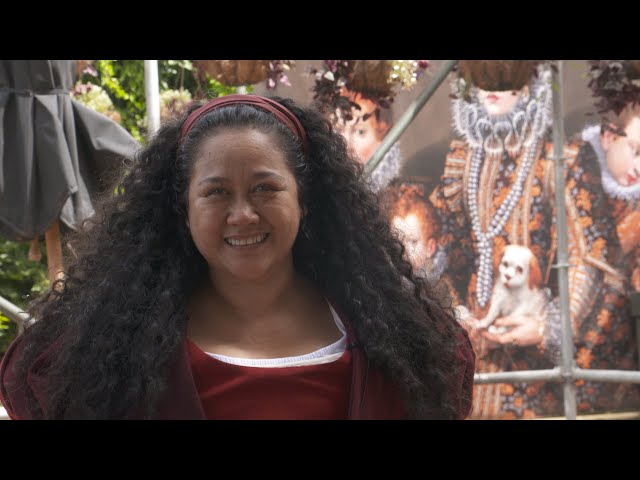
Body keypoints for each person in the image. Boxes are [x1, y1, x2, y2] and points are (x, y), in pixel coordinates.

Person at [0, 94, 474, 420]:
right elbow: (33, 379)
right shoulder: (112, 343)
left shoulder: (395, 337)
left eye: (265, 188)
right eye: (216, 192)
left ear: (305, 201)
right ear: (184, 209)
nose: (243, 214)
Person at [430, 60, 639, 419]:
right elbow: (443, 246)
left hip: (537, 361)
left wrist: (549, 327)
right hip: (476, 344)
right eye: (484, 84)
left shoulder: (561, 156)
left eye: (506, 84)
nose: (493, 93)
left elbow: (588, 254)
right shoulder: (461, 159)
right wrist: (455, 313)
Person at [332, 90, 403, 191]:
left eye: (360, 132)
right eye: (339, 130)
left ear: (383, 132)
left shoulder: (399, 195)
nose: (346, 144)